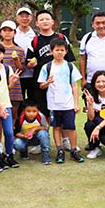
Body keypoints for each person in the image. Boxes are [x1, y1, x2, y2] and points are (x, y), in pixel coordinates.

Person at [26, 9, 76, 151]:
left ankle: (66, 140)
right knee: (44, 112)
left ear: (53, 22)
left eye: (47, 18)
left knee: (64, 111)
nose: (45, 21)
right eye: (41, 19)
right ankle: (44, 141)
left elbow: (70, 60)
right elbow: (29, 62)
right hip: (41, 83)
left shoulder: (61, 37)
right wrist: (31, 64)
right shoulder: (35, 41)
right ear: (37, 23)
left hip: (61, 83)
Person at [38, 38, 84, 163]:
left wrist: (76, 103)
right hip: (53, 104)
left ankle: (74, 150)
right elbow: (41, 85)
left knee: (71, 127)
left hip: (68, 103)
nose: (59, 52)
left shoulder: (70, 66)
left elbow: (75, 85)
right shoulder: (46, 67)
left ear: (66, 51)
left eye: (62, 50)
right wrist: (47, 82)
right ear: (51, 51)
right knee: (56, 127)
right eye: (57, 50)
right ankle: (60, 150)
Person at [0, 20, 25, 123]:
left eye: (10, 30)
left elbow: (21, 70)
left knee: (14, 115)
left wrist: (16, 60)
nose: (7, 33)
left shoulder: (19, 50)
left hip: (15, 87)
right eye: (5, 30)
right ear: (0, 32)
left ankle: (12, 138)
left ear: (15, 32)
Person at [13, 99, 51, 164]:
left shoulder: (41, 116)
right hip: (25, 139)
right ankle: (23, 152)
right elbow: (16, 133)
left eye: (34, 111)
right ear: (24, 111)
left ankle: (46, 155)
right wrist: (24, 136)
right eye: (28, 111)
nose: (31, 114)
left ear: (38, 111)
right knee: (17, 143)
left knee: (43, 133)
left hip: (37, 138)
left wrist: (34, 129)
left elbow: (45, 128)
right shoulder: (20, 119)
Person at [14, 7, 36, 99]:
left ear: (31, 18)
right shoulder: (13, 34)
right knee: (18, 101)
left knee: (33, 100)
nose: (24, 18)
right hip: (17, 73)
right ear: (17, 18)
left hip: (33, 73)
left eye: (27, 16)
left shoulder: (36, 34)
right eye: (21, 16)